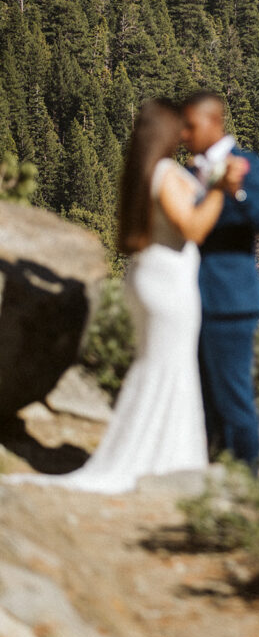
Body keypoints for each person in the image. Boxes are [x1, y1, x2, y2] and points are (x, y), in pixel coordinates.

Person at [7, 98, 241, 493]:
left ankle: (155, 455)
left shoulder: (141, 172)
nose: (186, 135)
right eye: (180, 128)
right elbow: (192, 228)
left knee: (155, 366)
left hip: (148, 276)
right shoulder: (166, 172)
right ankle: (164, 461)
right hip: (169, 285)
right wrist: (221, 189)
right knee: (170, 369)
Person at [182, 91, 259, 472]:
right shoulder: (188, 172)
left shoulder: (249, 166)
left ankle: (248, 481)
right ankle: (212, 476)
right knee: (202, 400)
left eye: (190, 127)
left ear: (213, 123)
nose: (185, 135)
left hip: (230, 302)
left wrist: (235, 191)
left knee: (236, 399)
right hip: (187, 301)